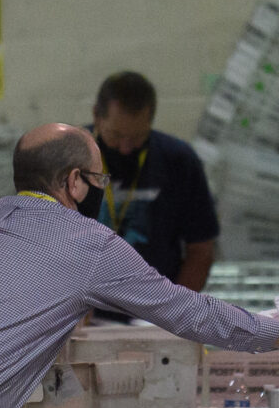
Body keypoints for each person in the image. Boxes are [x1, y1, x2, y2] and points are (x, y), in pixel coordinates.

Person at [0, 123, 279, 408]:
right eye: (100, 179)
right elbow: (187, 311)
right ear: (75, 182)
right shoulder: (87, 243)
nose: (102, 189)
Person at [88, 71, 218, 293]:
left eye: (137, 137)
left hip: (155, 305)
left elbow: (201, 248)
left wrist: (178, 310)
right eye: (116, 135)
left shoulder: (178, 159)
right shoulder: (69, 155)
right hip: (85, 306)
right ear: (97, 117)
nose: (126, 147)